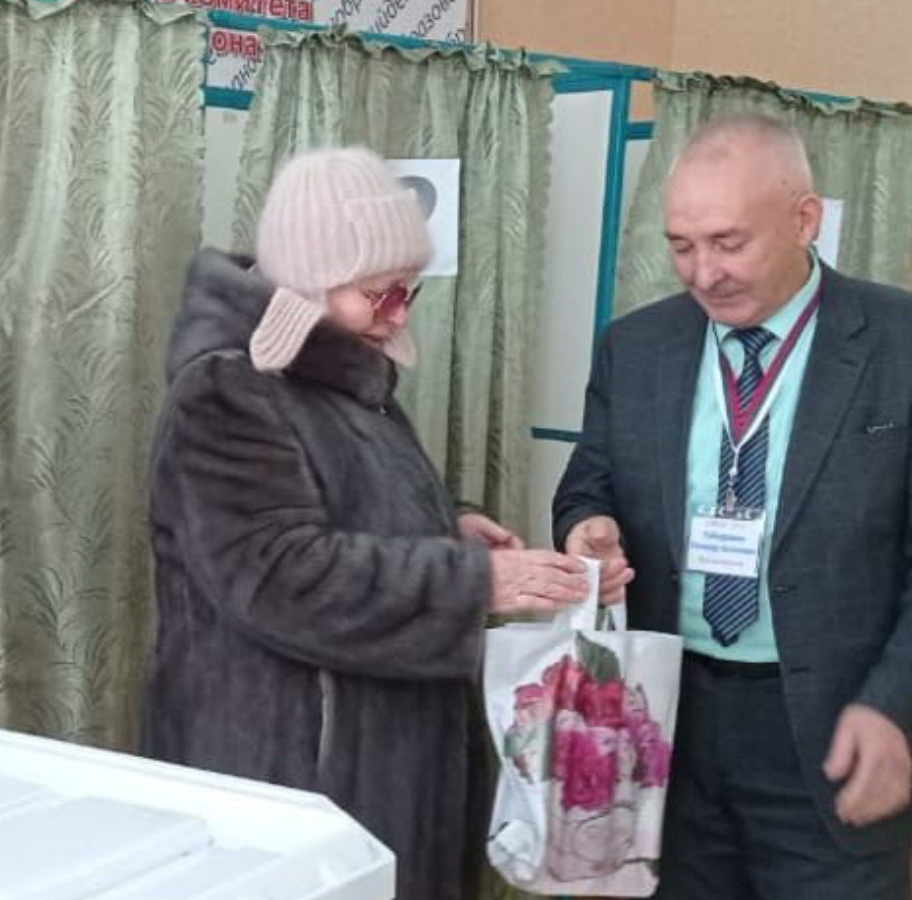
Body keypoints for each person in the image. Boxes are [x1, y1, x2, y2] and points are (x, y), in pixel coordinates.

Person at [553, 114, 912, 899]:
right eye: (682, 246)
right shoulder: (638, 346)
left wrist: (894, 707)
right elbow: (587, 484)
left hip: (830, 723)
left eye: (729, 243)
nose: (704, 274)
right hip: (669, 717)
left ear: (804, 220)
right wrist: (586, 528)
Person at [142, 146, 594, 900]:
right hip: (288, 772)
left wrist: (449, 525)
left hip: (373, 762)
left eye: (407, 292)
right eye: (377, 294)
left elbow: (347, 502)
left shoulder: (336, 375)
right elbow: (279, 575)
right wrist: (475, 582)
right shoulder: (227, 392)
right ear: (308, 279)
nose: (397, 315)